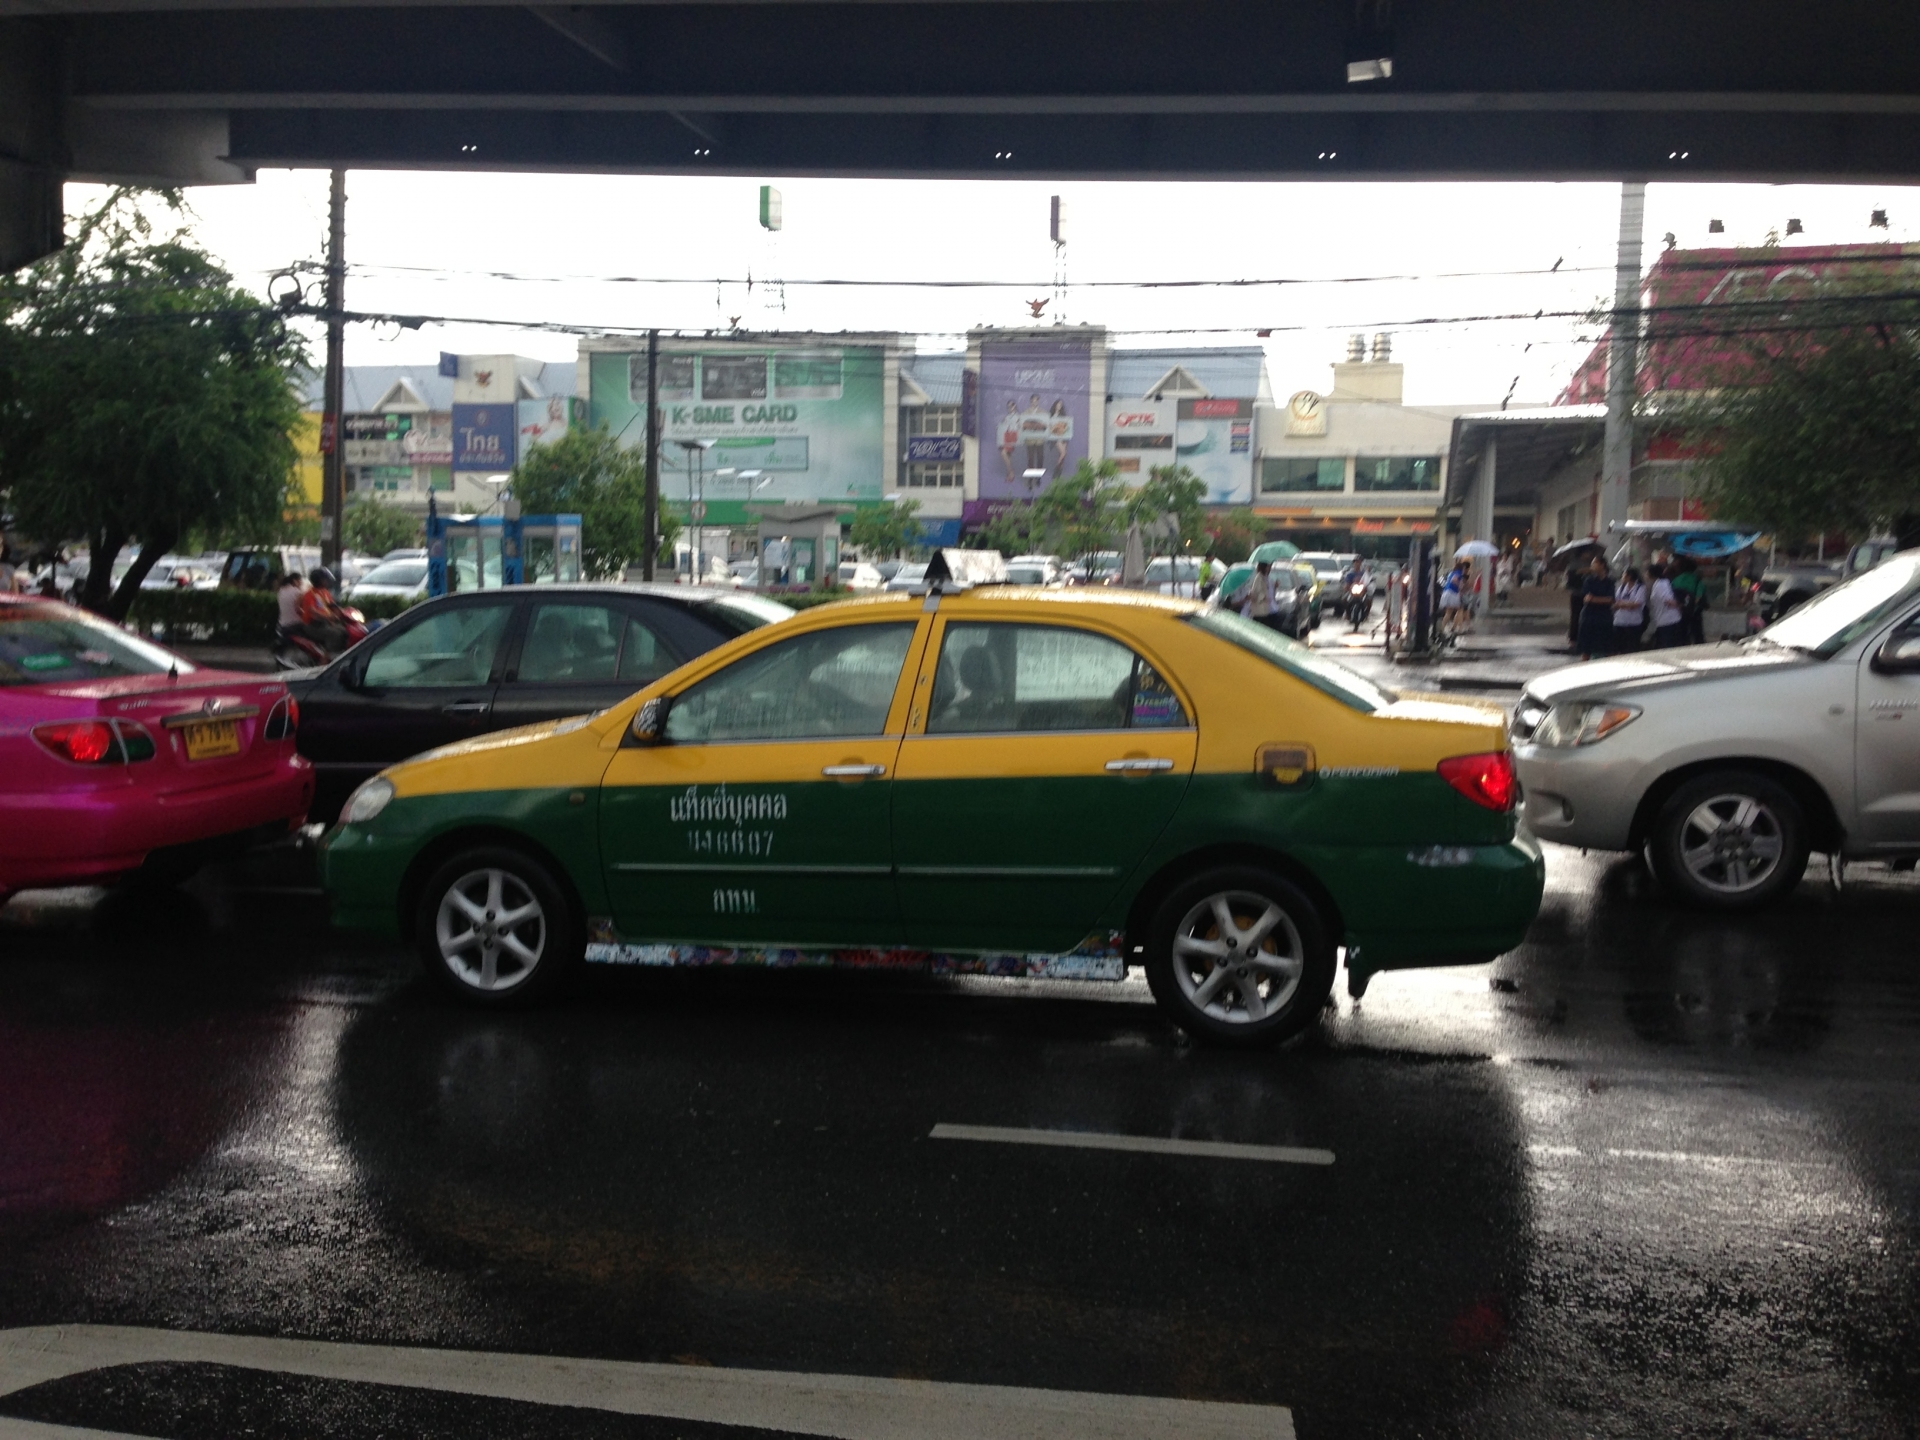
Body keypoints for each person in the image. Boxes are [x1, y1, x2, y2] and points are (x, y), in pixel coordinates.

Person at [298, 566, 349, 655]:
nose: (327, 581)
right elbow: (313, 611)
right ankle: (328, 657)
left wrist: (342, 612)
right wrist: (329, 617)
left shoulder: (325, 592)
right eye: (325, 579)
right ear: (318, 580)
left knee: (345, 631)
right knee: (334, 634)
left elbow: (332, 605)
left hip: (325, 623)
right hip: (313, 625)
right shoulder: (310, 594)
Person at [1577, 556, 1616, 660]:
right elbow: (1587, 598)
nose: (1592, 566)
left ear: (1602, 565)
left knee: (1608, 648)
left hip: (1604, 617)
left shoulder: (1610, 581)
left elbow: (1611, 599)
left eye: (1595, 563)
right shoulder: (1589, 580)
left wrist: (1595, 599)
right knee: (1586, 649)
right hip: (1589, 617)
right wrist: (1600, 599)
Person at [1671, 554, 1708, 645]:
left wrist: (1683, 605)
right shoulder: (1697, 579)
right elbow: (1699, 595)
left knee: (1682, 633)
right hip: (1695, 611)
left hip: (1681, 610)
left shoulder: (1676, 580)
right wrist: (1692, 604)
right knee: (1697, 633)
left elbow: (1672, 596)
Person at [1240, 559, 1284, 633]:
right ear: (1264, 567)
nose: (1270, 568)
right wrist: (1263, 597)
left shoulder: (1267, 578)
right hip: (1263, 610)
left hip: (1271, 608)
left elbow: (1270, 591)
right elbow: (1256, 592)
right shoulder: (1259, 578)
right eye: (1268, 566)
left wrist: (1275, 586)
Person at [1611, 565, 1648, 653]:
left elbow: (1637, 603)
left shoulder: (1640, 588)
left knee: (1633, 647)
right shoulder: (1621, 588)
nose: (1622, 577)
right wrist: (1627, 604)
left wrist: (1623, 604)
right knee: (1620, 647)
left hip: (1634, 622)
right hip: (1620, 621)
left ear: (1629, 576)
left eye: (1624, 575)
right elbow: (1615, 603)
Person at [1648, 563, 1685, 648]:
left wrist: (1679, 605)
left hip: (1667, 620)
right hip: (1665, 618)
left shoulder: (1660, 584)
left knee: (1668, 645)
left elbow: (1668, 600)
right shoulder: (1661, 583)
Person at [1439, 564, 1465, 635]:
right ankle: (1459, 628)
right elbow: (1454, 579)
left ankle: (1443, 628)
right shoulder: (1459, 572)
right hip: (1453, 593)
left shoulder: (1451, 573)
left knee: (1449, 612)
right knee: (1460, 610)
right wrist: (1459, 585)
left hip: (1446, 592)